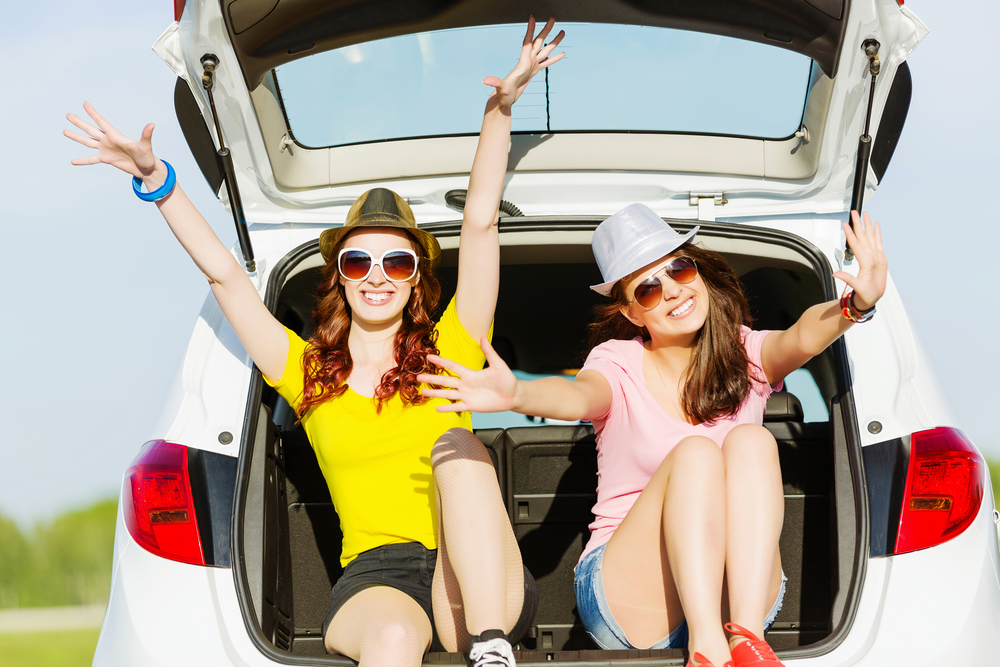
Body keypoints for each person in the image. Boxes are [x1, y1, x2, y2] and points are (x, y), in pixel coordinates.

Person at [64, 18, 566, 667]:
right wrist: (157, 179)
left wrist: (499, 110)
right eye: (359, 263)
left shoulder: (454, 349)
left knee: (460, 447)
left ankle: (493, 650)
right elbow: (225, 276)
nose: (378, 276)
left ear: (417, 281)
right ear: (340, 277)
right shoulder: (306, 372)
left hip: (471, 578)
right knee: (389, 640)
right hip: (376, 579)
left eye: (398, 263)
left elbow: (480, 222)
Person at [419, 203, 887, 667]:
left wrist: (855, 304)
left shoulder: (746, 351)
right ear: (633, 313)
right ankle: (706, 648)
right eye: (647, 289)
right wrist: (518, 394)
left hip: (738, 594)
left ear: (698, 273)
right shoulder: (616, 361)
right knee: (696, 455)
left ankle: (745, 642)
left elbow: (801, 336)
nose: (670, 292)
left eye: (678, 270)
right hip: (631, 595)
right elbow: (578, 398)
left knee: (753, 441)